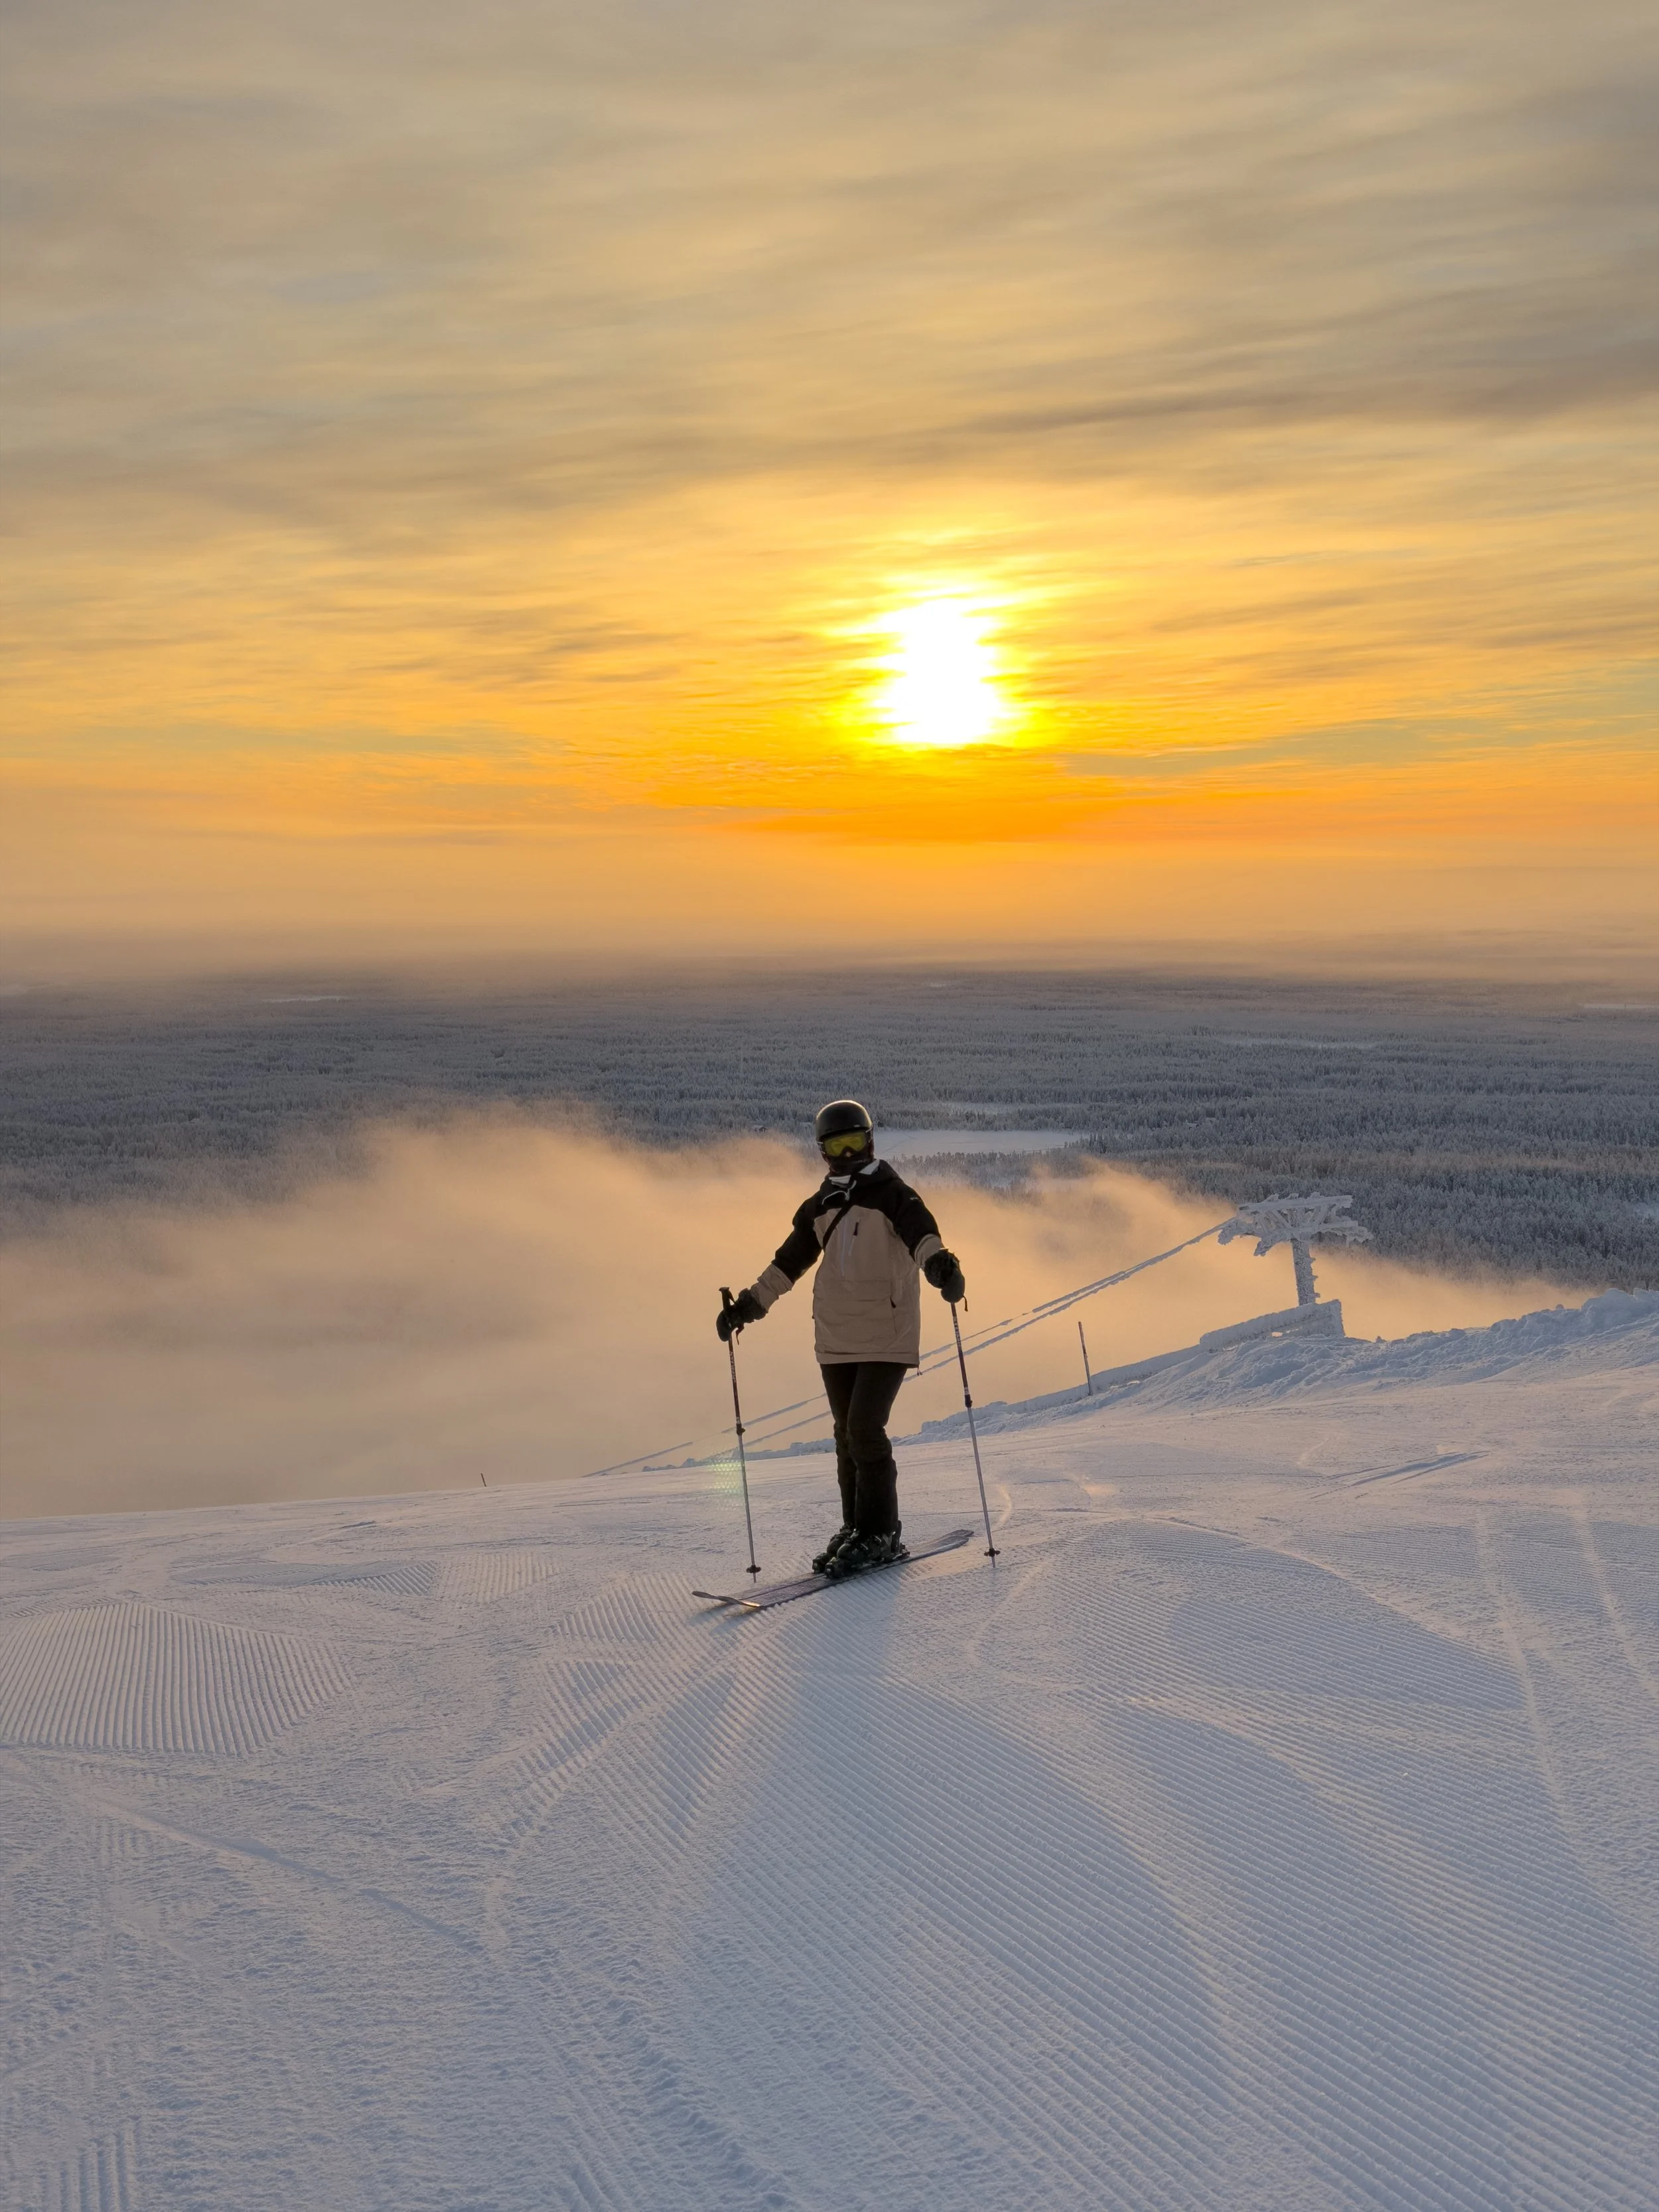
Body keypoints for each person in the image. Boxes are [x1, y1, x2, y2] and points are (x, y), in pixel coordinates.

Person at [717, 1100, 966, 1579]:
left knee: (865, 1430)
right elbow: (786, 1266)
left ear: (870, 1141)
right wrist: (746, 1308)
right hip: (835, 1338)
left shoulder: (895, 1195)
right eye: (836, 1145)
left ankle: (882, 1532)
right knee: (845, 1435)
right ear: (824, 1153)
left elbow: (924, 1239)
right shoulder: (820, 1206)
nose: (847, 1153)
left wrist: (942, 1269)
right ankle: (857, 1527)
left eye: (854, 1142)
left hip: (886, 1337)